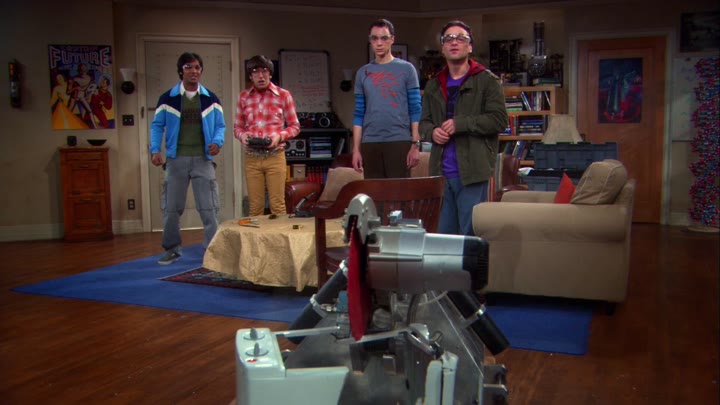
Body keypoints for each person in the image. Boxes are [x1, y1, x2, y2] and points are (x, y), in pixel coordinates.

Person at [419, 21, 508, 236]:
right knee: (444, 239)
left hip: (473, 173)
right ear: (443, 48)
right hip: (441, 174)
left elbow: (499, 120)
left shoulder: (487, 81)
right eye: (448, 39)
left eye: (461, 38)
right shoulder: (433, 85)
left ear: (470, 46)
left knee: (469, 237)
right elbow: (424, 123)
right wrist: (432, 132)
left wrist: (461, 123)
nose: (454, 42)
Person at [149, 52, 226, 265]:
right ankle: (172, 249)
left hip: (203, 159)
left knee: (209, 208)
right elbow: (157, 126)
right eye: (188, 67)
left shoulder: (211, 99)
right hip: (176, 160)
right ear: (180, 71)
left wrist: (217, 142)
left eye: (197, 67)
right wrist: (155, 150)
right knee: (171, 208)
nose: (194, 71)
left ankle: (212, 251)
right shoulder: (168, 98)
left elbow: (220, 125)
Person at [351, 18, 421, 178]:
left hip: (399, 140)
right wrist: (356, 149)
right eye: (374, 38)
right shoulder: (363, 72)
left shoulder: (407, 69)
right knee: (374, 192)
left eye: (384, 38)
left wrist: (415, 145)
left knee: (398, 191)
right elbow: (358, 113)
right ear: (370, 40)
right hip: (370, 142)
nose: (379, 43)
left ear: (392, 39)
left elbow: (415, 109)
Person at [234, 55, 300, 216]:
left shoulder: (283, 95)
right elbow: (237, 127)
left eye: (264, 71)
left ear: (270, 73)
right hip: (252, 158)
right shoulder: (243, 97)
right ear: (250, 76)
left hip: (275, 156)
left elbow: (295, 126)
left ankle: (279, 234)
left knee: (278, 206)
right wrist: (243, 136)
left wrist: (279, 137)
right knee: (255, 208)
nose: (260, 76)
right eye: (255, 72)